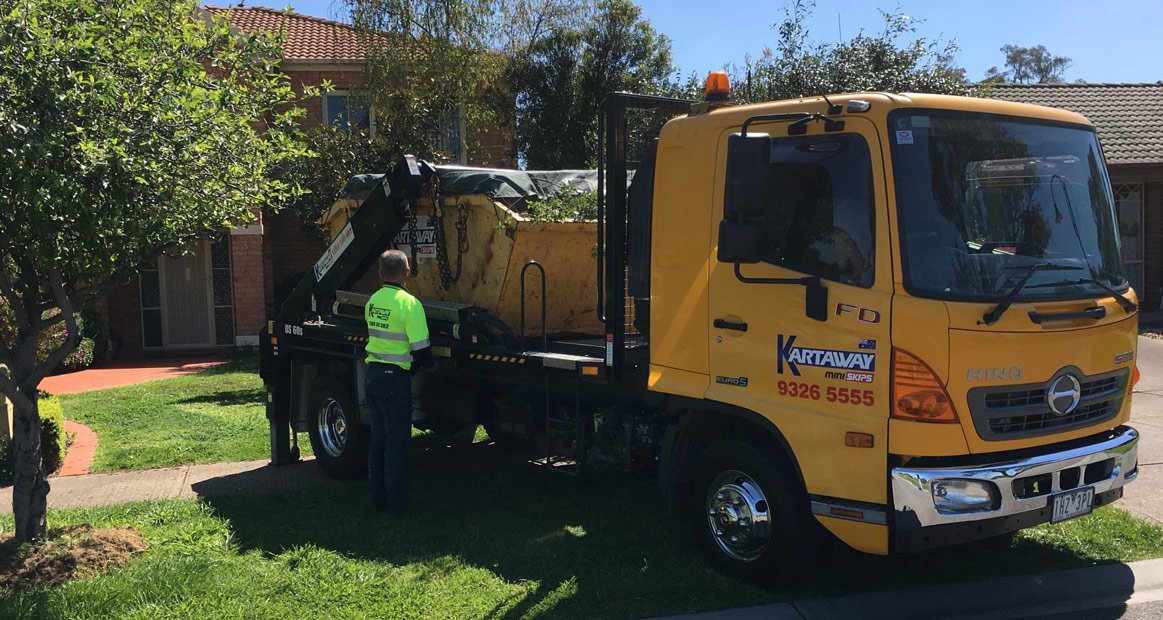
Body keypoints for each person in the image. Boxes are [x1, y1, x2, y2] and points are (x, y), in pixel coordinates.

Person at [364, 249, 434, 513]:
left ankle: (377, 499)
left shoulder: (372, 301)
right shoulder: (410, 304)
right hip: (395, 381)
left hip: (373, 376)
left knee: (378, 441)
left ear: (381, 273)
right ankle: (397, 504)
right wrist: (426, 366)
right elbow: (422, 351)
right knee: (397, 444)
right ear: (407, 272)